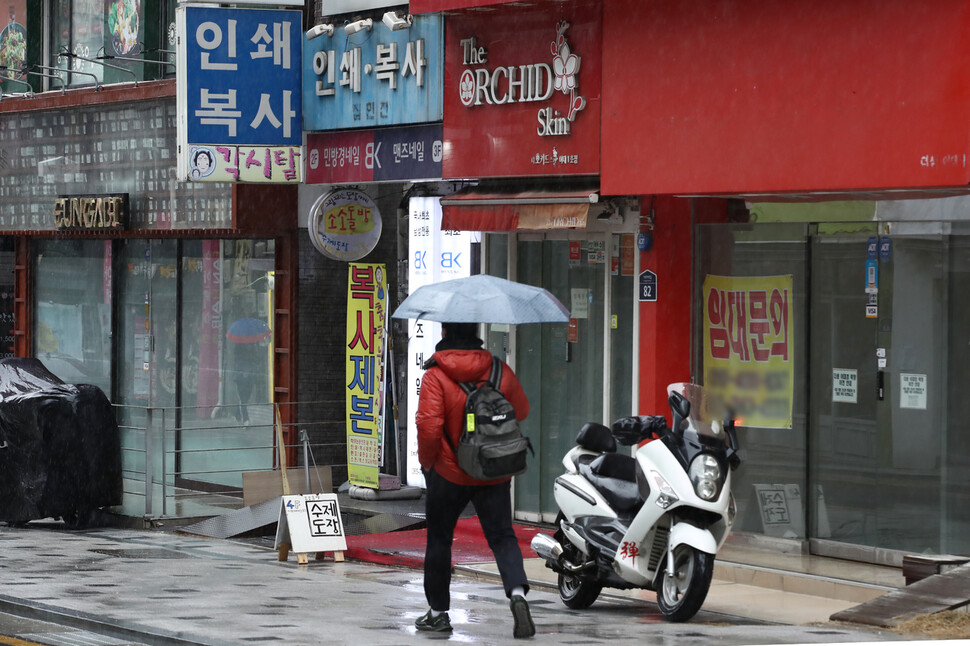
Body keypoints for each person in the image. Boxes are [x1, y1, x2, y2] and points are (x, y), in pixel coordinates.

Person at [414, 321, 535, 639]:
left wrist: (429, 465)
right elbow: (520, 411)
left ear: (445, 334)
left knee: (440, 539)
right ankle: (518, 595)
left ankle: (438, 613)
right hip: (494, 471)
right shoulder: (499, 370)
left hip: (449, 472)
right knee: (503, 537)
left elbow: (428, 428)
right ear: (476, 333)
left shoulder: (435, 375)